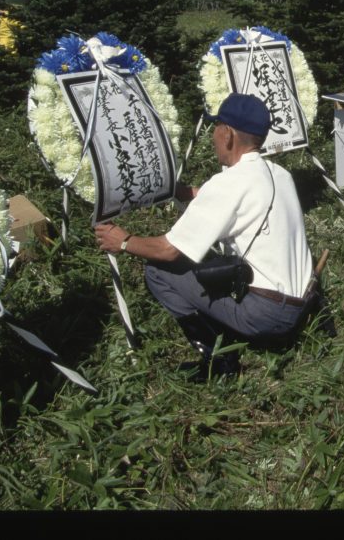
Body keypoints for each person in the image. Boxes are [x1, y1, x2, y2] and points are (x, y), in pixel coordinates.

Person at [93, 93, 320, 380]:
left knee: (159, 272)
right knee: (209, 259)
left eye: (216, 128)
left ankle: (219, 362)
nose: (213, 136)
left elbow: (168, 250)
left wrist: (124, 241)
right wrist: (188, 193)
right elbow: (236, 200)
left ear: (228, 135)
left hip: (269, 315)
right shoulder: (279, 174)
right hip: (303, 302)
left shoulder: (229, 183)